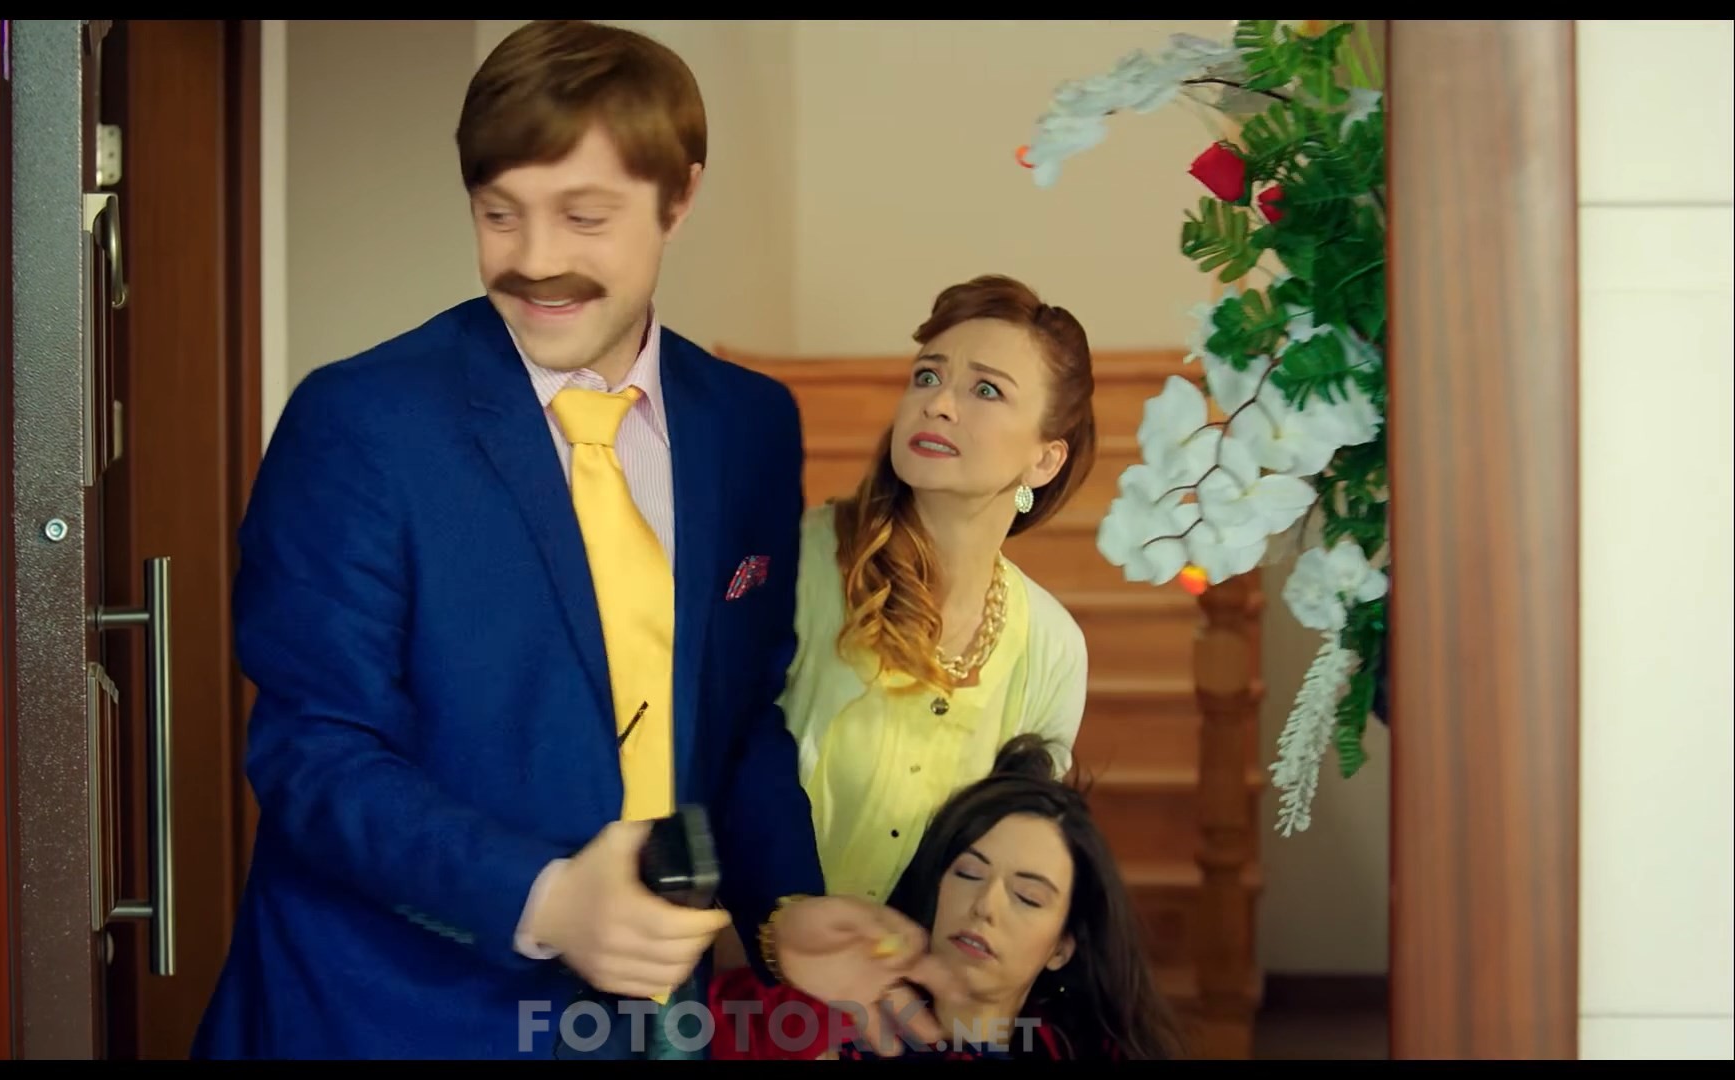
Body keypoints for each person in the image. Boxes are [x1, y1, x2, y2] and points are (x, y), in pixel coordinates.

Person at [191, 20, 912, 1059]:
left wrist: (781, 908)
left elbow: (736, 719)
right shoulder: (358, 422)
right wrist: (545, 899)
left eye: (584, 217)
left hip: (639, 1029)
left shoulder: (750, 426)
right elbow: (315, 753)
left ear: (680, 199)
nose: (535, 262)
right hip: (383, 1017)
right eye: (499, 213)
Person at [779, 274, 1099, 906]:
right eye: (927, 376)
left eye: (986, 389)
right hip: (751, 954)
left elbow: (1021, 859)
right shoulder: (799, 565)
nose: (939, 404)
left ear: (1045, 460)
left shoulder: (1053, 647)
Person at [708, 734, 1185, 1061]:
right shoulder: (819, 1017)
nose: (985, 906)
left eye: (1027, 897)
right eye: (969, 874)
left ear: (1062, 947)